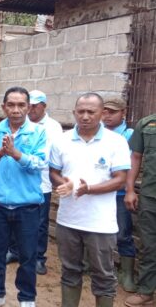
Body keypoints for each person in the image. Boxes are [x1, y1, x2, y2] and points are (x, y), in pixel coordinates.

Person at [50, 93, 130, 307]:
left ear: (102, 113)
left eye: (91, 112)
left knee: (103, 276)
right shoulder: (62, 140)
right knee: (70, 271)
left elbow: (121, 179)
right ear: (74, 113)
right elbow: (53, 171)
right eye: (81, 111)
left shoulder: (117, 142)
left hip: (100, 224)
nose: (85, 116)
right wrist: (63, 183)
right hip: (68, 220)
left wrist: (89, 189)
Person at [0, 87, 47, 307]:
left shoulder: (38, 132)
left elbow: (40, 163)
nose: (16, 110)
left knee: (27, 255)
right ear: (4, 107)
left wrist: (16, 154)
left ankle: (27, 298)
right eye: (11, 105)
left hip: (27, 206)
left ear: (28, 107)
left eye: (21, 105)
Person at [5, 90, 63, 276]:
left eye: (35, 106)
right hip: (18, 181)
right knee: (13, 217)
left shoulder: (52, 127)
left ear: (43, 106)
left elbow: (48, 156)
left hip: (41, 182)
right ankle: (14, 251)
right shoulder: (17, 125)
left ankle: (38, 257)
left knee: (39, 222)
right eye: (30, 106)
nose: (31, 110)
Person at [101, 95, 137, 293]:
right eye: (104, 111)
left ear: (123, 113)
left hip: (119, 193)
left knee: (123, 233)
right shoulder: (97, 134)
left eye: (112, 112)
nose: (107, 116)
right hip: (98, 192)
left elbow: (133, 164)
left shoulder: (130, 134)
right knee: (94, 229)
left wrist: (130, 190)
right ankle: (92, 265)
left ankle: (127, 273)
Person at [123, 112, 156, 307]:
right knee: (149, 245)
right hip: (151, 197)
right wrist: (130, 190)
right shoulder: (147, 124)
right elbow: (135, 157)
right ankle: (146, 291)